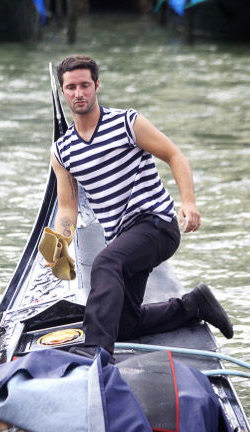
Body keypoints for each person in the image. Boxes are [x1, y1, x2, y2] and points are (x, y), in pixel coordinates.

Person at [49, 55, 234, 359]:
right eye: (71, 87)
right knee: (123, 325)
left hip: (157, 224)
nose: (78, 93)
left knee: (105, 263)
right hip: (122, 238)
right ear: (63, 91)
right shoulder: (62, 151)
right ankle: (194, 305)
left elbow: (174, 155)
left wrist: (188, 202)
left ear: (97, 85)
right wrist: (57, 249)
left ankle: (95, 351)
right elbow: (67, 208)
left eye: (84, 85)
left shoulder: (127, 123)